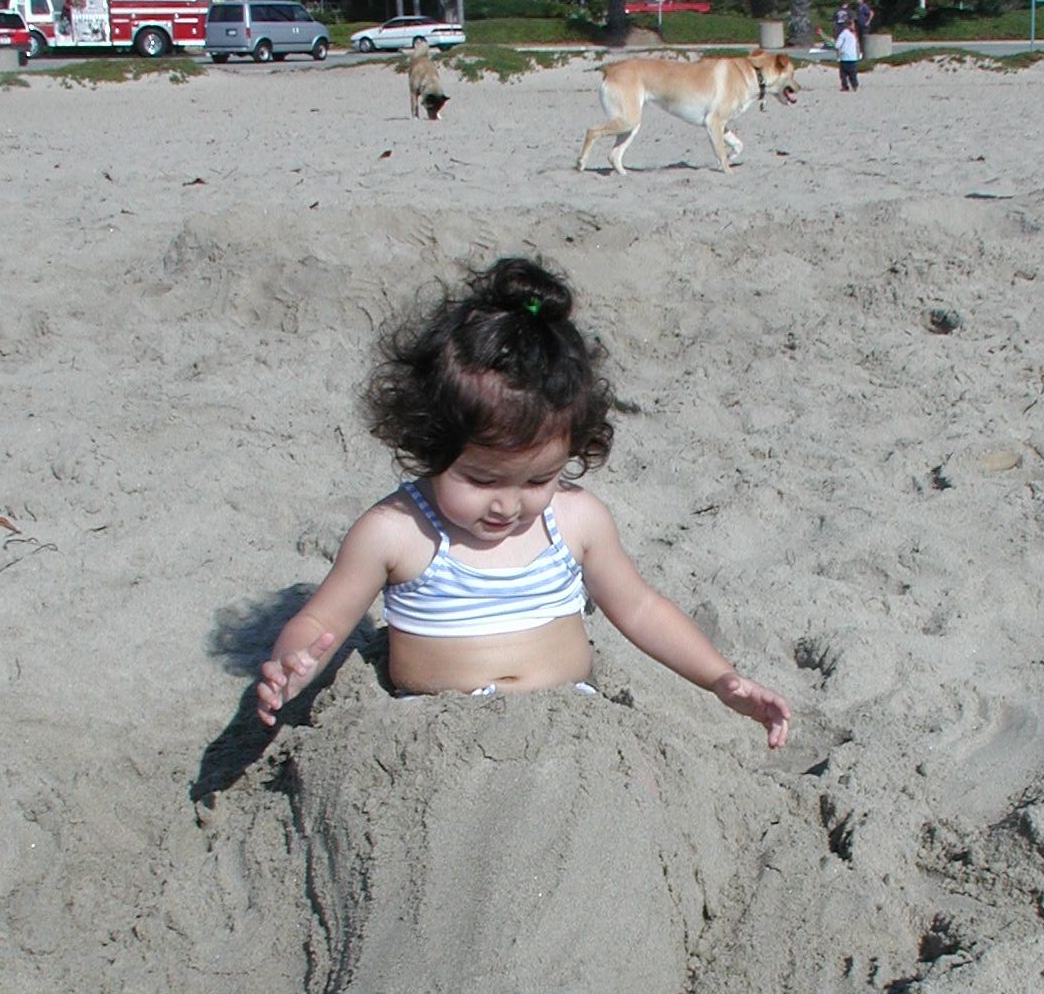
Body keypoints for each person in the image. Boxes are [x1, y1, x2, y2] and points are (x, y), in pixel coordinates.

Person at [256, 257, 791, 747]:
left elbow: (641, 608)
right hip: (435, 740)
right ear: (432, 443)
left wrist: (720, 678)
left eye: (538, 480)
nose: (507, 506)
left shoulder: (577, 519)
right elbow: (321, 619)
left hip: (570, 731)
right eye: (481, 479)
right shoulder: (395, 531)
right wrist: (291, 663)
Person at [834, 17, 860, 92]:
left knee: (843, 74)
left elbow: (837, 45)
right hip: (853, 57)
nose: (854, 26)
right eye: (853, 25)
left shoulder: (843, 34)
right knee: (853, 73)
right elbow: (857, 45)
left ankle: (845, 86)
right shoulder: (854, 34)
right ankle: (854, 86)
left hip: (845, 57)